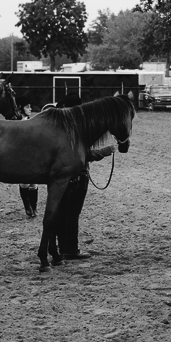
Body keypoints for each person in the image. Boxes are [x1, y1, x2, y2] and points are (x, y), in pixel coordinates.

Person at [54, 95, 114, 261]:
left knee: (62, 213)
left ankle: (61, 248)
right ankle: (71, 250)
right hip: (77, 177)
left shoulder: (58, 128)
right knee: (72, 214)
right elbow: (83, 155)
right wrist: (106, 151)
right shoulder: (75, 130)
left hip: (61, 177)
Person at [14, 95, 39, 218]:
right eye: (27, 107)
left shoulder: (32, 120)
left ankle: (34, 206)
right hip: (22, 155)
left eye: (30, 106)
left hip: (33, 154)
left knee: (34, 183)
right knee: (25, 182)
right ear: (20, 108)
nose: (30, 109)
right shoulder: (16, 122)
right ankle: (27, 206)